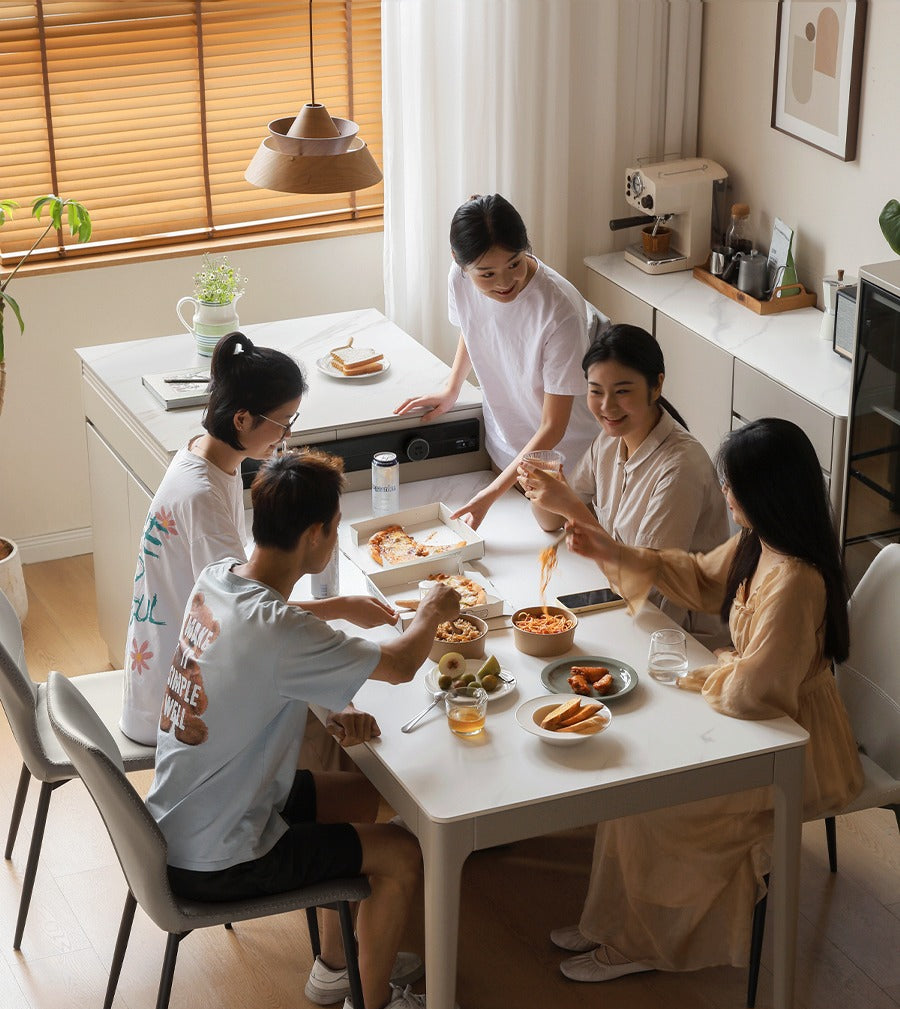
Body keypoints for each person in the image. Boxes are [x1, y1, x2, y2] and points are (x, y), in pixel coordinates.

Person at [145, 448, 464, 1009]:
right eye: (336, 527)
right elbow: (398, 663)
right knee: (401, 852)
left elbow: (273, 623)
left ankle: (337, 968)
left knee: (365, 795)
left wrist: (338, 608)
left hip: (186, 817)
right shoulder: (279, 633)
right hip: (222, 858)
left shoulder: (219, 579)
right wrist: (430, 608)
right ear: (317, 535)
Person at [553, 418, 863, 982]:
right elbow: (698, 576)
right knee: (633, 776)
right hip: (762, 717)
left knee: (655, 801)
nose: (725, 494)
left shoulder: (795, 581)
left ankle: (643, 941)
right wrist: (609, 547)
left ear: (763, 494)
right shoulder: (759, 543)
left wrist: (710, 668)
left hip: (792, 743)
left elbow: (753, 693)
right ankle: (615, 919)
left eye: (732, 485)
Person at [121, 331, 396, 745]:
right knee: (327, 716)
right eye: (282, 423)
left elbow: (240, 594)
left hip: (167, 674)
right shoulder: (201, 498)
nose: (285, 436)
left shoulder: (206, 456)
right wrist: (338, 608)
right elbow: (245, 615)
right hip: (173, 705)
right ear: (243, 419)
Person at [393, 193, 599, 529]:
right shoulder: (459, 278)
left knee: (554, 558)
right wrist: (452, 388)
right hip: (504, 446)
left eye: (514, 264)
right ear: (460, 263)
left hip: (564, 461)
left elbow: (553, 427)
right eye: (486, 275)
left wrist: (490, 493)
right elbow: (473, 328)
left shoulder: (559, 311)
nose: (504, 283)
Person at [517, 324, 729, 640]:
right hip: (624, 611)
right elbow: (550, 523)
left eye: (623, 391)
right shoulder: (609, 441)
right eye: (596, 391)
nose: (607, 407)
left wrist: (570, 505)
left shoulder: (680, 467)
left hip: (676, 638)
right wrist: (544, 491)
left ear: (656, 386)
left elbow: (650, 591)